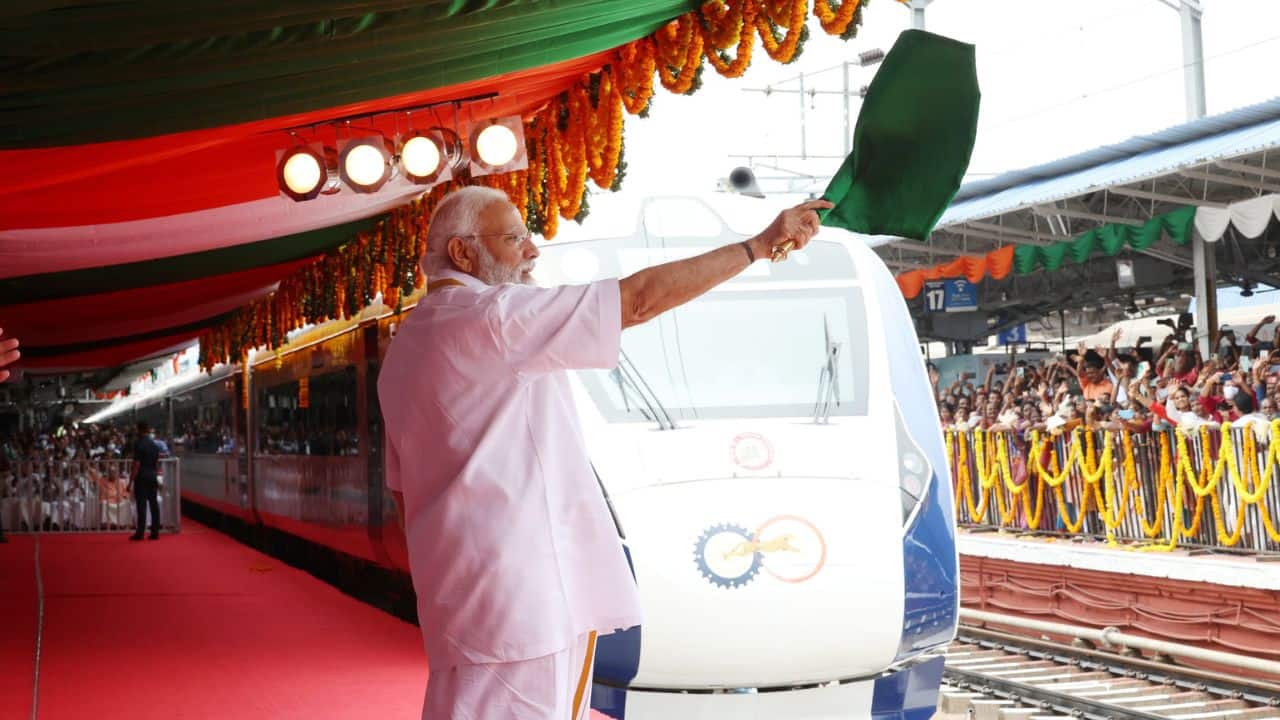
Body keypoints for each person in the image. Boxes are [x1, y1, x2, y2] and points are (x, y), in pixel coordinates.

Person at [378, 186, 829, 720]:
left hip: (463, 595)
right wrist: (758, 246)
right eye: (514, 238)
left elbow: (402, 492)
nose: (532, 251)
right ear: (462, 252)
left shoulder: (405, 348)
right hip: (525, 601)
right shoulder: (494, 315)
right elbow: (637, 300)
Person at [127, 421, 162, 540]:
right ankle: (155, 531)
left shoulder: (138, 444)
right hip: (152, 476)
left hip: (141, 477)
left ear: (139, 430)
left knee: (141, 505)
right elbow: (157, 464)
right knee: (154, 504)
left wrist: (130, 482)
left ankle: (140, 532)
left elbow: (136, 464)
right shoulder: (155, 445)